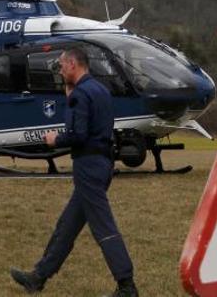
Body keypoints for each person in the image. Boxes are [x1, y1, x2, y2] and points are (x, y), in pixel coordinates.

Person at [10, 47, 138, 296]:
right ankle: (38, 277)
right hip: (102, 163)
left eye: (60, 66)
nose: (59, 70)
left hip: (88, 166)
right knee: (67, 226)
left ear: (72, 65)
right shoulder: (100, 90)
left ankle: (127, 286)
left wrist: (54, 139)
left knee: (104, 228)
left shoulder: (80, 94)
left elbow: (77, 135)